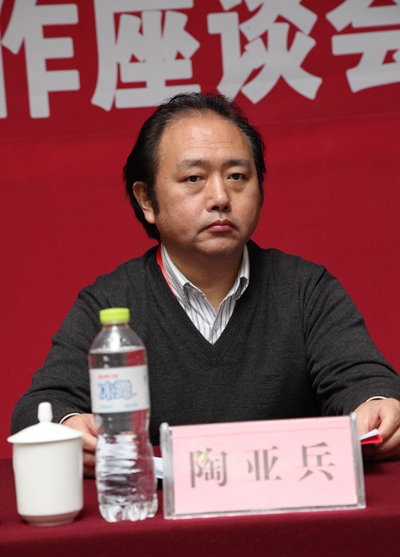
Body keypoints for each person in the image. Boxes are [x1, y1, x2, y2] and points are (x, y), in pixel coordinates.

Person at [11, 92, 400, 477]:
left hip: (285, 502)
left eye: (237, 177)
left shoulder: (306, 290)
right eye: (194, 178)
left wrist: (379, 406)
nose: (220, 198)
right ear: (147, 200)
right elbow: (40, 407)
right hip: (157, 511)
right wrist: (67, 426)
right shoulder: (110, 305)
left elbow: (367, 383)